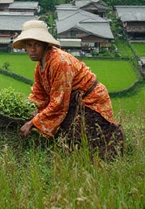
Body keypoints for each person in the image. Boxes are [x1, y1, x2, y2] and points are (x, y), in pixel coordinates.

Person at [14, 20, 123, 158]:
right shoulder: (40, 66)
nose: (32, 50)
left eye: (37, 45)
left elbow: (58, 103)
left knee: (88, 136)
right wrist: (26, 109)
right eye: (29, 45)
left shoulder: (60, 63)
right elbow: (38, 94)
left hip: (90, 101)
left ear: (45, 45)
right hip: (72, 101)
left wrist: (32, 122)